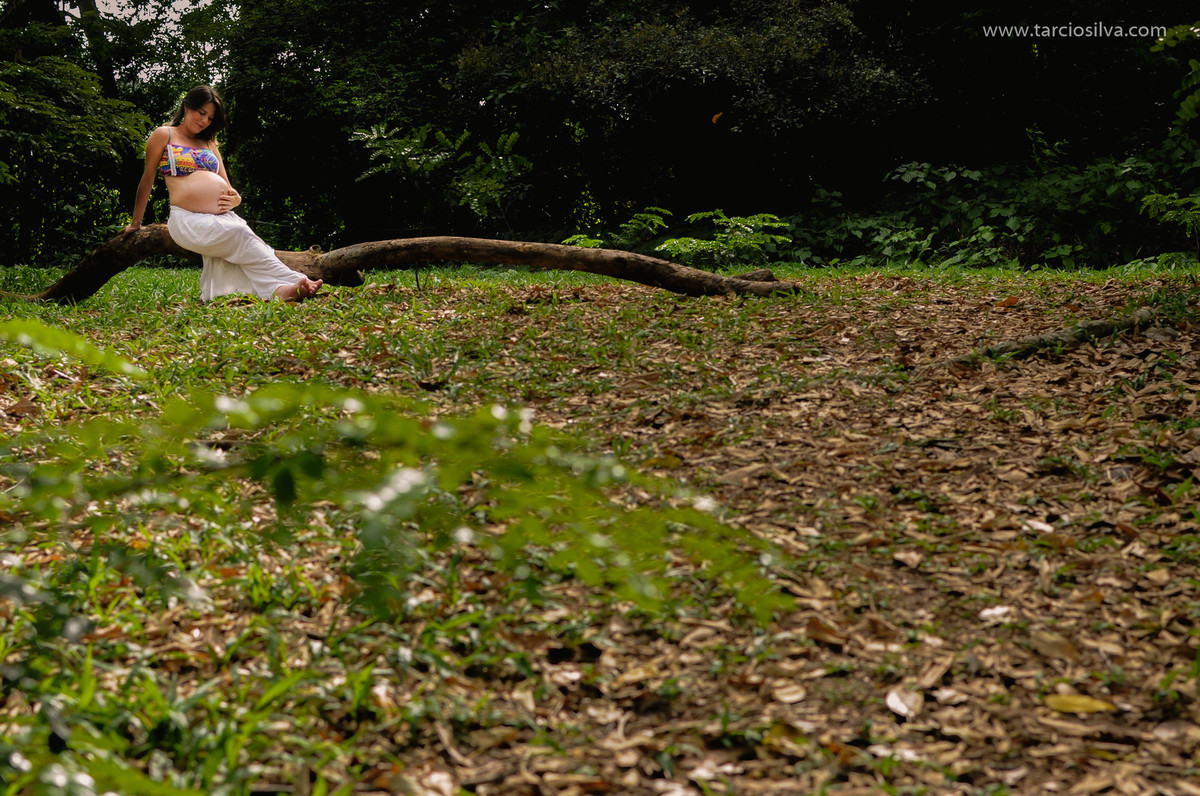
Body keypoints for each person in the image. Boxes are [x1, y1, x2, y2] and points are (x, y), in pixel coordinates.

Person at [121, 85, 322, 302]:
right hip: (186, 218)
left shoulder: (209, 142)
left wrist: (237, 199)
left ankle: (282, 291)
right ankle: (297, 279)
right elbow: (147, 179)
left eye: (210, 118)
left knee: (247, 240)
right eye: (202, 113)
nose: (205, 121)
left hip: (222, 217)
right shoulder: (164, 134)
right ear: (187, 106)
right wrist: (136, 222)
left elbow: (228, 187)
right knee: (242, 234)